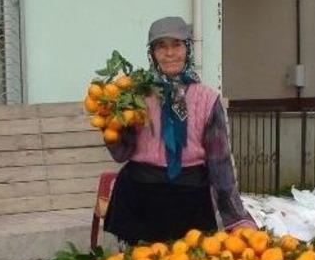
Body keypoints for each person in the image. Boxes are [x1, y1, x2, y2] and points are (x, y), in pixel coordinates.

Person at [103, 16, 256, 245]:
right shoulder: (134, 95)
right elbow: (121, 153)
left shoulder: (207, 99)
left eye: (177, 44)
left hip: (189, 199)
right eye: (161, 46)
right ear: (152, 53)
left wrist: (235, 218)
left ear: (188, 49)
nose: (170, 53)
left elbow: (220, 163)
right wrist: (110, 123)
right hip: (140, 196)